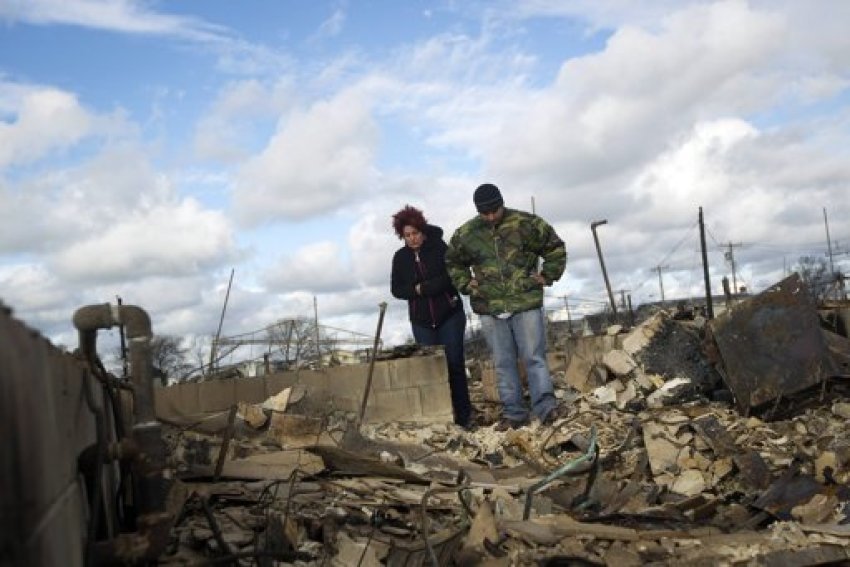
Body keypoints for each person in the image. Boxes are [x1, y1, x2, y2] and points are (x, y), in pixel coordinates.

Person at [446, 183, 567, 430]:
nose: (491, 216)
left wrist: (548, 275)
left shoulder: (527, 223)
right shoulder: (466, 234)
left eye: (495, 210)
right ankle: (514, 414)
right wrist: (467, 284)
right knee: (503, 362)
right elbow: (453, 262)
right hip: (490, 307)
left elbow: (555, 247)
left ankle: (546, 409)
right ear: (478, 211)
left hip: (525, 302)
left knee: (534, 357)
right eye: (485, 213)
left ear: (502, 203)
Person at [390, 205, 474, 429]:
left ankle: (465, 416)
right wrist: (416, 291)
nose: (412, 239)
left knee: (455, 364)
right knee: (430, 368)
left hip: (449, 314)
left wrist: (423, 288)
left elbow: (450, 278)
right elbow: (396, 289)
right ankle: (442, 418)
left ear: (422, 230)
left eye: (415, 233)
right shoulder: (399, 258)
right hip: (421, 321)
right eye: (407, 235)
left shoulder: (439, 248)